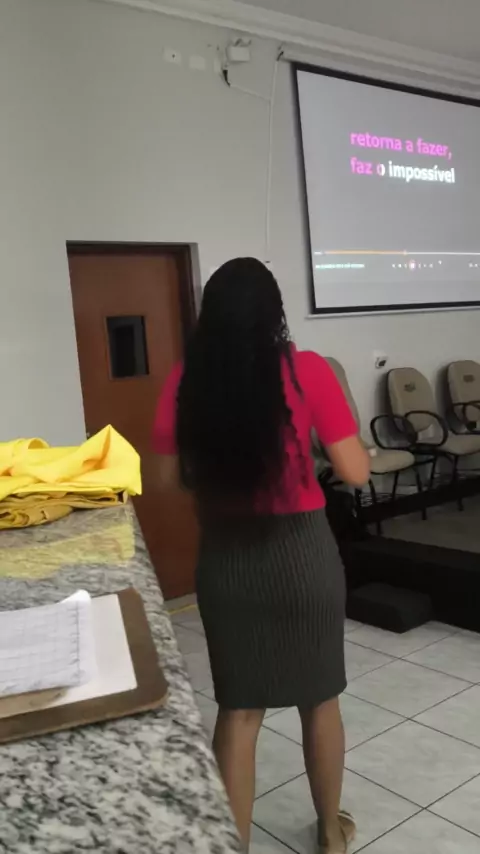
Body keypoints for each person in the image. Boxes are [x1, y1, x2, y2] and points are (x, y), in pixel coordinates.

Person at [153, 258, 370, 853]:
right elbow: (355, 471)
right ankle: (330, 833)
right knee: (319, 701)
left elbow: (165, 479)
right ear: (274, 314)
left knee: (240, 711)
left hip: (227, 563)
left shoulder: (186, 380)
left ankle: (234, 845)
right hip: (303, 559)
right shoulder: (307, 370)